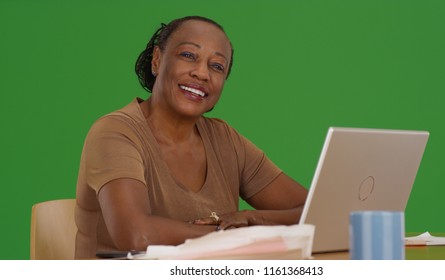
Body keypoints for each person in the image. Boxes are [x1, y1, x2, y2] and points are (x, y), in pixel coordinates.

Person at [74, 15, 308, 259]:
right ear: (157, 60)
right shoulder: (115, 133)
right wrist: (229, 235)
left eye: (217, 66)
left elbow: (314, 211)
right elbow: (135, 234)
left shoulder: (225, 140)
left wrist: (250, 218)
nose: (202, 73)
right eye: (188, 56)